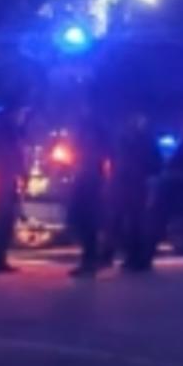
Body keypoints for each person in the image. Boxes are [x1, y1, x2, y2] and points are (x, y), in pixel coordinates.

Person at [110, 113, 163, 273]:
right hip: (131, 184)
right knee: (133, 222)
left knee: (136, 222)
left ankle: (138, 258)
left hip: (136, 184)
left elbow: (154, 163)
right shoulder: (139, 140)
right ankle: (136, 258)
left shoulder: (137, 141)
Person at [67, 110, 111, 278]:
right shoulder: (96, 131)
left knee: (87, 223)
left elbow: (93, 156)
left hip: (89, 180)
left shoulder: (92, 132)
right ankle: (90, 261)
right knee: (86, 222)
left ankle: (90, 262)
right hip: (88, 178)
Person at [0, 108, 26, 274]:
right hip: (4, 181)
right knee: (3, 220)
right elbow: (15, 156)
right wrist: (22, 173)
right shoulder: (8, 133)